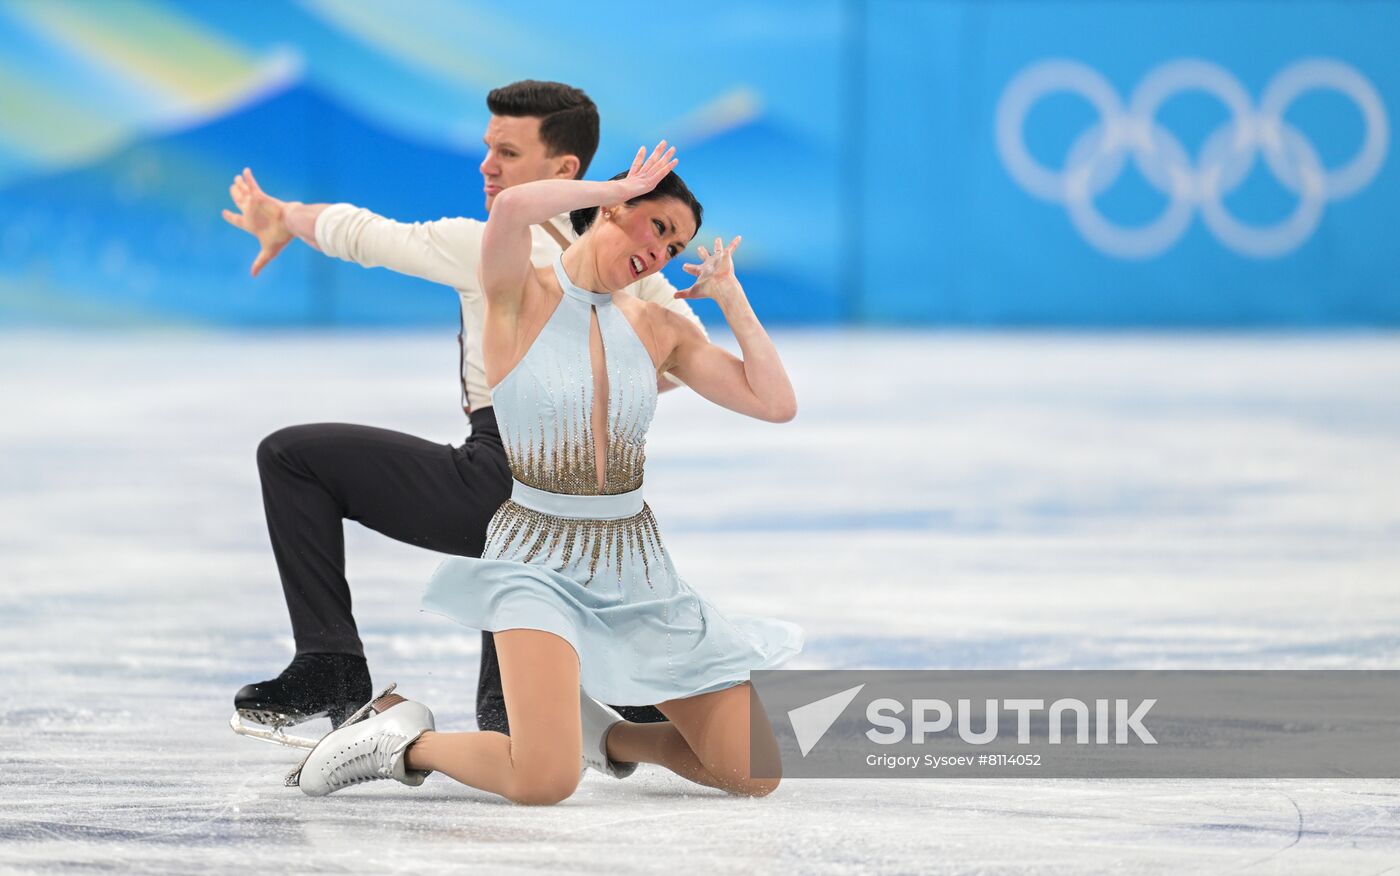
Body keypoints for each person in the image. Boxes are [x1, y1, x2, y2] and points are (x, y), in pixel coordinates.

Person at [289, 142, 802, 803]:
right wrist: (608, 189)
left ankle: (609, 738)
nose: (665, 250)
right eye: (659, 226)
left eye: (676, 247)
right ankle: (399, 739)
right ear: (616, 208)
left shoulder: (657, 328)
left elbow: (775, 403)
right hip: (538, 559)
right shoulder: (516, 294)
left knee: (754, 773)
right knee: (543, 780)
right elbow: (512, 209)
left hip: (635, 566)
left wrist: (731, 298)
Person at [221, 81, 704, 733]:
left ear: (563, 171)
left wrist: (285, 216)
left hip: (502, 485)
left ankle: (331, 660)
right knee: (506, 716)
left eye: (506, 151)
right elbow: (691, 361)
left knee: (291, 458)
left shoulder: (489, 245)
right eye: (487, 148)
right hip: (587, 516)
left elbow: (364, 235)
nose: (487, 166)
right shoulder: (635, 271)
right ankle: (612, 685)